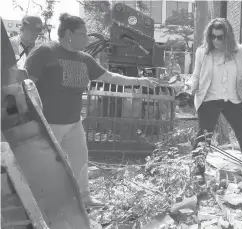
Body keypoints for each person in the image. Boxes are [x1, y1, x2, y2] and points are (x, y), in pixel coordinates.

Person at [24, 13, 160, 208]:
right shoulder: (45, 52)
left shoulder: (84, 58)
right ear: (69, 34)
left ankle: (84, 199)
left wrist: (139, 81)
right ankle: (39, 205)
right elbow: (26, 85)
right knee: (45, 167)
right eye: (84, 33)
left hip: (73, 123)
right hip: (48, 123)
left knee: (80, 160)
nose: (88, 38)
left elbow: (110, 77)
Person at [185, 18, 242, 174]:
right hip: (208, 99)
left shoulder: (238, 50)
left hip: (233, 99)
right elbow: (196, 76)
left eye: (219, 37)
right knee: (204, 137)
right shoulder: (203, 51)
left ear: (227, 36)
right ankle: (196, 171)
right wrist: (189, 85)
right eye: (213, 36)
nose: (215, 40)